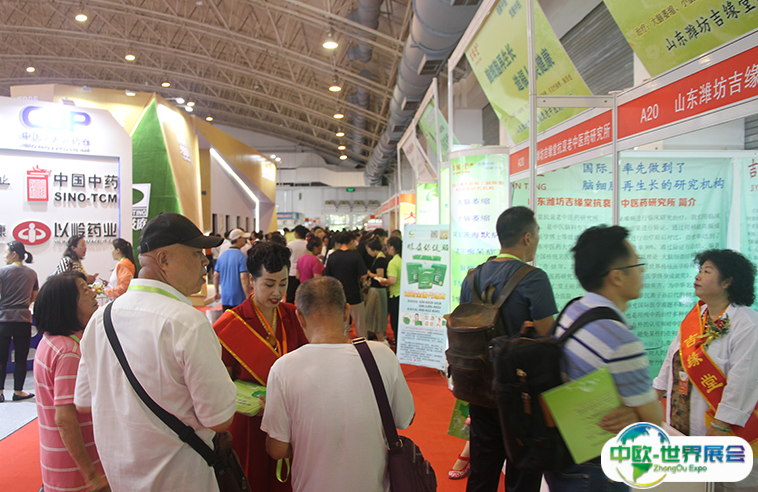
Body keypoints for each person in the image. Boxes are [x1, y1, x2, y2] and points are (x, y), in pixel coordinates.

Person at [74, 212, 236, 491]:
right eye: (196, 253)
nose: (205, 261)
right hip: (182, 479)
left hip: (121, 479)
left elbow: (84, 402)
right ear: (163, 260)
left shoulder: (101, 319)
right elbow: (219, 418)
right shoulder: (187, 323)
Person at [261, 277, 415, 492]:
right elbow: (405, 418)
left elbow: (277, 450)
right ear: (346, 312)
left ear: (300, 318)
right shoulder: (382, 354)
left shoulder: (283, 368)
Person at [543, 225, 662, 491]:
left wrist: (634, 415)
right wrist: (637, 416)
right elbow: (652, 422)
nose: (642, 271)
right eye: (637, 264)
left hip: (562, 457)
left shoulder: (574, 309)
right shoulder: (621, 342)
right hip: (596, 470)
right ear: (616, 276)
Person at [459, 206, 557, 492]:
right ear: (527, 237)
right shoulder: (534, 278)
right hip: (521, 391)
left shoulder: (472, 277)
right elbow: (547, 334)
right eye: (537, 234)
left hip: (480, 385)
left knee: (482, 469)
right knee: (523, 471)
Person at [653, 249, 758, 490]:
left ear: (727, 281)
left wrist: (721, 424)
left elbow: (744, 379)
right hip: (684, 422)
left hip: (727, 429)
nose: (698, 276)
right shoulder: (696, 317)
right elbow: (672, 360)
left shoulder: (748, 323)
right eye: (700, 270)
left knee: (728, 484)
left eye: (707, 271)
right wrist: (655, 394)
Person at [213, 241, 309, 491]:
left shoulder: (293, 316)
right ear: (251, 281)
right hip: (250, 424)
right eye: (269, 284)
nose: (277, 292)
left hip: (290, 420)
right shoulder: (231, 324)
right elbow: (219, 385)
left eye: (283, 284)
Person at [33, 272, 108, 492]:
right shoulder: (68, 352)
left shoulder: (51, 341)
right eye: (85, 290)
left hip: (59, 461)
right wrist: (91, 475)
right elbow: (65, 419)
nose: (93, 294)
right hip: (75, 472)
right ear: (67, 304)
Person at [0, 241, 38, 402]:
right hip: (23, 319)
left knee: (1, 359)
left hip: (4, 319)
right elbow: (34, 296)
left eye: (6, 252)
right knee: (21, 358)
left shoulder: (2, 272)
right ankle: (18, 391)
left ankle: (0, 392)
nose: (4, 256)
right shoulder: (32, 273)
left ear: (14, 254)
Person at [324, 231, 368, 338]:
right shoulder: (356, 256)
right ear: (351, 242)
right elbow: (363, 275)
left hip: (338, 296)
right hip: (355, 295)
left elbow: (327, 277)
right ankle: (362, 345)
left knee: (342, 326)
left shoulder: (332, 256)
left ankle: (344, 346)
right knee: (360, 324)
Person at [214, 228, 252, 311]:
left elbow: (216, 275)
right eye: (244, 238)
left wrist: (216, 292)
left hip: (225, 296)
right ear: (238, 239)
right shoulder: (242, 257)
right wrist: (248, 296)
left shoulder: (222, 257)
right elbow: (244, 278)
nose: (246, 240)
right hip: (239, 297)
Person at [364, 238, 389, 344]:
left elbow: (380, 276)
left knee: (376, 316)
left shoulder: (380, 260)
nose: (368, 252)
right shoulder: (380, 258)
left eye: (368, 250)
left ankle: (382, 340)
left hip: (377, 291)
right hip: (378, 290)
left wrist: (369, 274)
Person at [379, 237, 402, 343]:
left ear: (392, 247)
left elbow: (392, 280)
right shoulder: (403, 259)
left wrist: (384, 281)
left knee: (395, 323)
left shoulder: (393, 262)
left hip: (395, 294)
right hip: (404, 295)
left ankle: (398, 345)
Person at [286, 225, 309, 303]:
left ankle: (289, 308)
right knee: (303, 294)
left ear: (297, 234)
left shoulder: (291, 244)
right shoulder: (307, 244)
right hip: (304, 270)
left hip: (292, 271)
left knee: (290, 294)